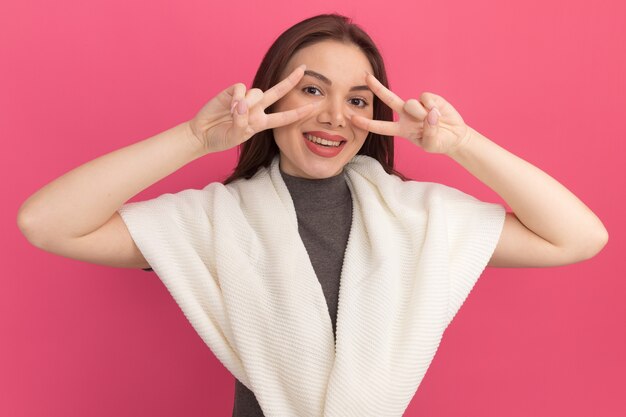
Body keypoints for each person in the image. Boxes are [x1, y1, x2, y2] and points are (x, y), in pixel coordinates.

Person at [17, 13, 607, 417]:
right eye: (312, 90)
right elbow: (45, 222)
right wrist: (197, 137)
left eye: (357, 99)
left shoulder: (418, 222)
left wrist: (463, 143)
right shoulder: (214, 223)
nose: (335, 117)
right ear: (272, 96)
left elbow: (579, 237)